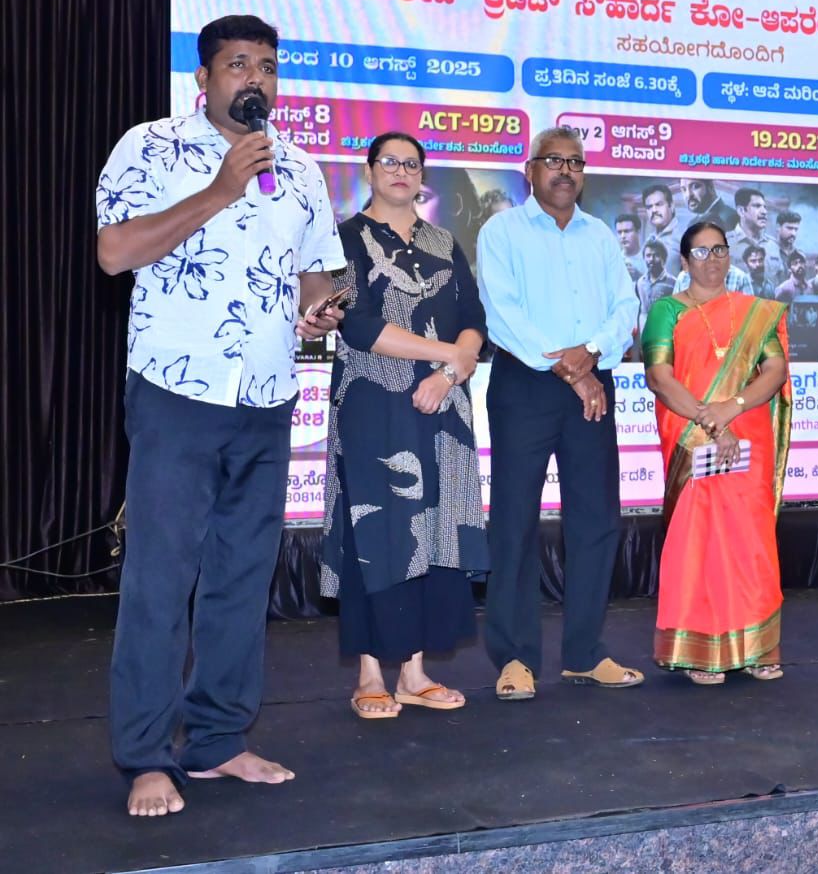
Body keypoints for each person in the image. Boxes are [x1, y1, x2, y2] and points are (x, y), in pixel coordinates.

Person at [95, 14, 346, 817]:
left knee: (241, 580)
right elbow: (114, 252)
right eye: (238, 65)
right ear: (203, 79)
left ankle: (217, 741)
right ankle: (145, 755)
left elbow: (318, 276)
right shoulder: (150, 147)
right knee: (161, 578)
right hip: (178, 390)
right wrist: (220, 190)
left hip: (267, 395)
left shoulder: (299, 167)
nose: (255, 79)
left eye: (267, 66)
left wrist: (321, 310)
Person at [319, 133, 490, 719]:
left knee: (433, 532)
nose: (400, 171)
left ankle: (414, 674)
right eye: (389, 161)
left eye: (411, 164)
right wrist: (450, 356)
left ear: (422, 177)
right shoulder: (345, 238)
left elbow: (473, 318)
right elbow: (359, 326)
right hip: (374, 404)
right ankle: (369, 675)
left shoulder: (443, 241)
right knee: (375, 532)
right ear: (369, 171)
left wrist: (449, 372)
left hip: (442, 408)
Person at [476, 125, 644, 699]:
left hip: (592, 383)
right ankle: (515, 657)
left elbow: (626, 306)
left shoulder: (600, 235)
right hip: (527, 384)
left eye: (575, 162)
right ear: (531, 171)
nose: (565, 171)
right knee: (515, 521)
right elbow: (504, 313)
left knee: (596, 519)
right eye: (553, 160)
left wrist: (591, 352)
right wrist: (574, 371)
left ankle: (584, 653)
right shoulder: (502, 231)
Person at [642, 223, 793, 684]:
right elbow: (659, 378)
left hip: (746, 438)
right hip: (692, 436)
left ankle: (757, 648)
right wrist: (710, 421)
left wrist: (734, 407)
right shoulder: (666, 310)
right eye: (702, 251)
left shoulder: (755, 312)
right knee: (697, 542)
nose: (713, 259)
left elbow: (775, 369)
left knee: (750, 541)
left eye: (720, 250)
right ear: (684, 260)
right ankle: (698, 649)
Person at [730, 187, 783, 268]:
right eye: (757, 206)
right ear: (741, 211)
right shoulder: (725, 243)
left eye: (765, 207)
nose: (764, 212)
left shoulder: (774, 246)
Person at [642, 182, 686, 274]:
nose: (654, 210)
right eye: (649, 207)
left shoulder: (685, 236)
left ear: (671, 206)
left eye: (659, 204)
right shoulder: (649, 239)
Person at [614, 211, 646, 281]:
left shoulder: (648, 259)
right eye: (619, 232)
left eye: (627, 231)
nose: (623, 236)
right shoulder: (614, 260)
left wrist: (639, 276)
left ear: (638, 232)